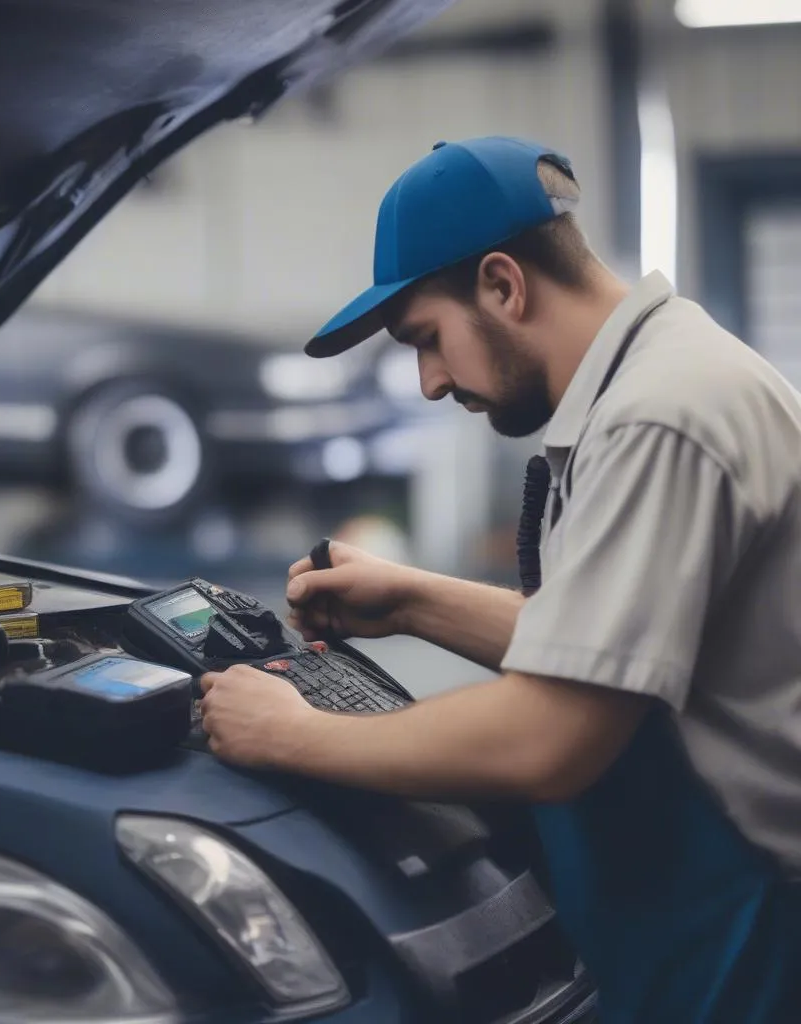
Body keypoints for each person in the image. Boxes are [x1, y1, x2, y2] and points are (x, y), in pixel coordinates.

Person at [199, 137, 801, 1023]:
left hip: (758, 939)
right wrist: (412, 600)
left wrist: (289, 733)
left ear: (503, 285)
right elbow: (617, 648)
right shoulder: (656, 381)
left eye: (426, 340)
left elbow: (549, 736)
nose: (431, 382)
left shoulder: (660, 416)